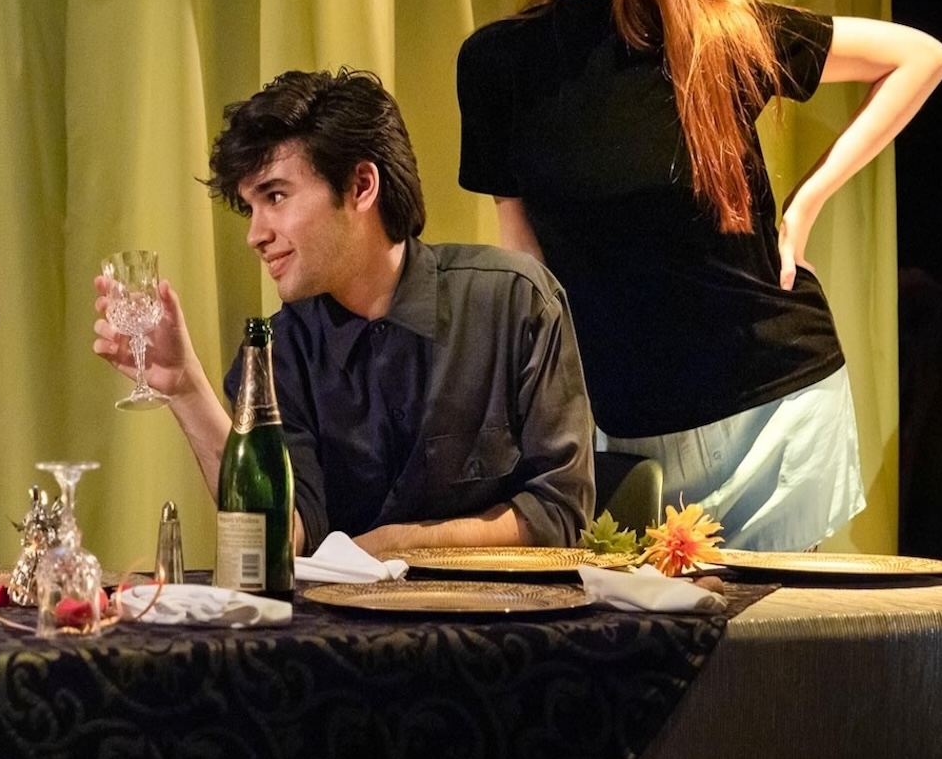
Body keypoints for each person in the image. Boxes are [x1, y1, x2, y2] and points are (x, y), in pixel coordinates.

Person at [459, 0, 942, 551]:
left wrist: (806, 202)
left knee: (770, 665)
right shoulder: (497, 65)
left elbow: (921, 56)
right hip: (622, 429)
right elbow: (526, 257)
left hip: (771, 410)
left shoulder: (718, 34)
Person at [93, 68, 595, 557]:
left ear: (360, 185)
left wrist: (398, 546)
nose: (255, 234)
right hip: (345, 638)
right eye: (251, 208)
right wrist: (185, 389)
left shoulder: (514, 302)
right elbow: (279, 539)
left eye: (275, 196)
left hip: (505, 632)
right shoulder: (277, 352)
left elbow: (561, 511)